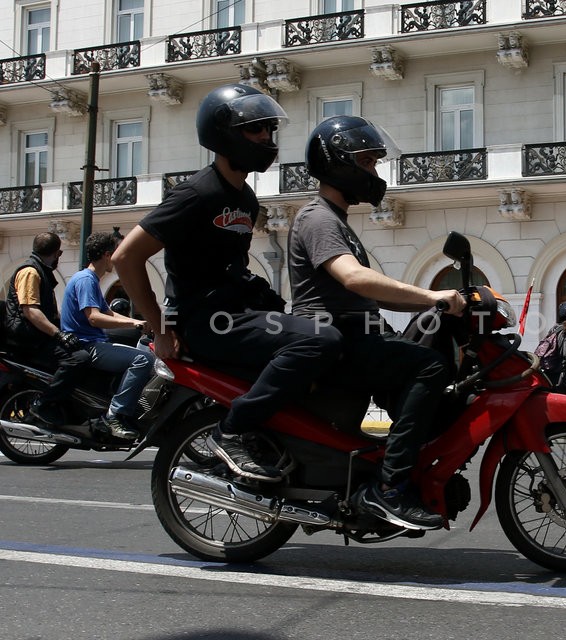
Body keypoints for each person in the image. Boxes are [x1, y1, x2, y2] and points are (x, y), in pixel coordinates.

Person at [112, 83, 343, 481]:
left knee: (332, 334)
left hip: (238, 312)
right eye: (256, 130)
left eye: (270, 130)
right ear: (224, 133)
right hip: (206, 321)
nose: (267, 139)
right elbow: (125, 257)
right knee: (320, 340)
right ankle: (231, 432)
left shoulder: (246, 200)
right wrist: (160, 328)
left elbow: (231, 268)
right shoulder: (194, 194)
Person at [288, 115, 466, 530]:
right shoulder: (319, 219)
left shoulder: (338, 221)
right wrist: (431, 295)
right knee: (429, 366)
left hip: (356, 332)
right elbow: (354, 278)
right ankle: (389, 491)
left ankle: (400, 466)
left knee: (426, 358)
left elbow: (372, 293)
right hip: (333, 340)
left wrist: (434, 305)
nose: (373, 173)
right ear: (339, 164)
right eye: (367, 163)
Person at [60, 231, 154, 440]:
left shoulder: (90, 279)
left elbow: (109, 313)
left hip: (92, 342)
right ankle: (115, 414)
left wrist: (143, 323)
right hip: (87, 345)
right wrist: (134, 322)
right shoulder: (86, 280)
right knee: (143, 359)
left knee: (138, 350)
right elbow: (94, 317)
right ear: (106, 254)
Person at [4, 232, 91, 426]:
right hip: (27, 339)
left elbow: (49, 313)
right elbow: (31, 311)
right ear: (57, 253)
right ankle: (43, 405)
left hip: (35, 336)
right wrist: (59, 334)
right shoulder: (30, 272)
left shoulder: (39, 271)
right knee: (77, 359)